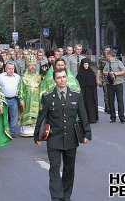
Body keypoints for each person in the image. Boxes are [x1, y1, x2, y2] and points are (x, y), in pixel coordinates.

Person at [34, 69, 92, 201]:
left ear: (67, 78)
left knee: (69, 169)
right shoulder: (48, 97)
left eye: (64, 77)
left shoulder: (76, 95)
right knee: (54, 168)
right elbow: (41, 117)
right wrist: (37, 135)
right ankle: (56, 197)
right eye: (59, 77)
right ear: (54, 80)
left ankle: (66, 196)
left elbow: (83, 115)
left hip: (71, 137)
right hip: (54, 138)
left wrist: (87, 134)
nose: (62, 80)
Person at [18, 55, 42, 137]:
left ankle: (34, 129)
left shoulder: (38, 76)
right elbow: (20, 89)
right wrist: (21, 99)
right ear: (27, 66)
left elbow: (41, 89)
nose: (32, 67)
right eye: (31, 65)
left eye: (34, 65)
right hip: (26, 99)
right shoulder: (23, 77)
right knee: (26, 113)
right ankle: (25, 129)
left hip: (36, 99)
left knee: (35, 114)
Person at [0, 61, 21, 137]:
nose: (11, 70)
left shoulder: (17, 77)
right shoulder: (0, 76)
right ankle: (3, 132)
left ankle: (12, 132)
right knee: (3, 116)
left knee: (14, 116)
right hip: (3, 99)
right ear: (5, 69)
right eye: (9, 68)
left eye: (12, 68)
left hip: (14, 99)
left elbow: (20, 88)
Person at [103, 49, 125, 123]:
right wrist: (109, 73)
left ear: (110, 55)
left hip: (118, 84)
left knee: (120, 101)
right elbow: (104, 71)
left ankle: (122, 117)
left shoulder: (118, 62)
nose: (106, 56)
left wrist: (115, 73)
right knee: (111, 101)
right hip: (110, 84)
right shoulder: (107, 63)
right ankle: (112, 117)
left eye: (107, 55)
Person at [76, 58, 98, 123]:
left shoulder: (91, 72)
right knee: (83, 105)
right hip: (83, 92)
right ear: (82, 65)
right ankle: (84, 119)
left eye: (87, 64)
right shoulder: (80, 73)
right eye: (85, 64)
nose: (86, 66)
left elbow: (94, 83)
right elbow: (77, 83)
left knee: (91, 105)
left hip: (90, 92)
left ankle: (92, 119)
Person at [97, 46, 111, 114]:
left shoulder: (113, 58)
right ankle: (108, 108)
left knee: (111, 94)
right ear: (104, 51)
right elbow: (99, 70)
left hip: (112, 79)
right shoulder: (101, 59)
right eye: (106, 50)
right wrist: (99, 80)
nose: (107, 51)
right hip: (104, 79)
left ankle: (109, 106)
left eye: (109, 50)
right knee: (106, 93)